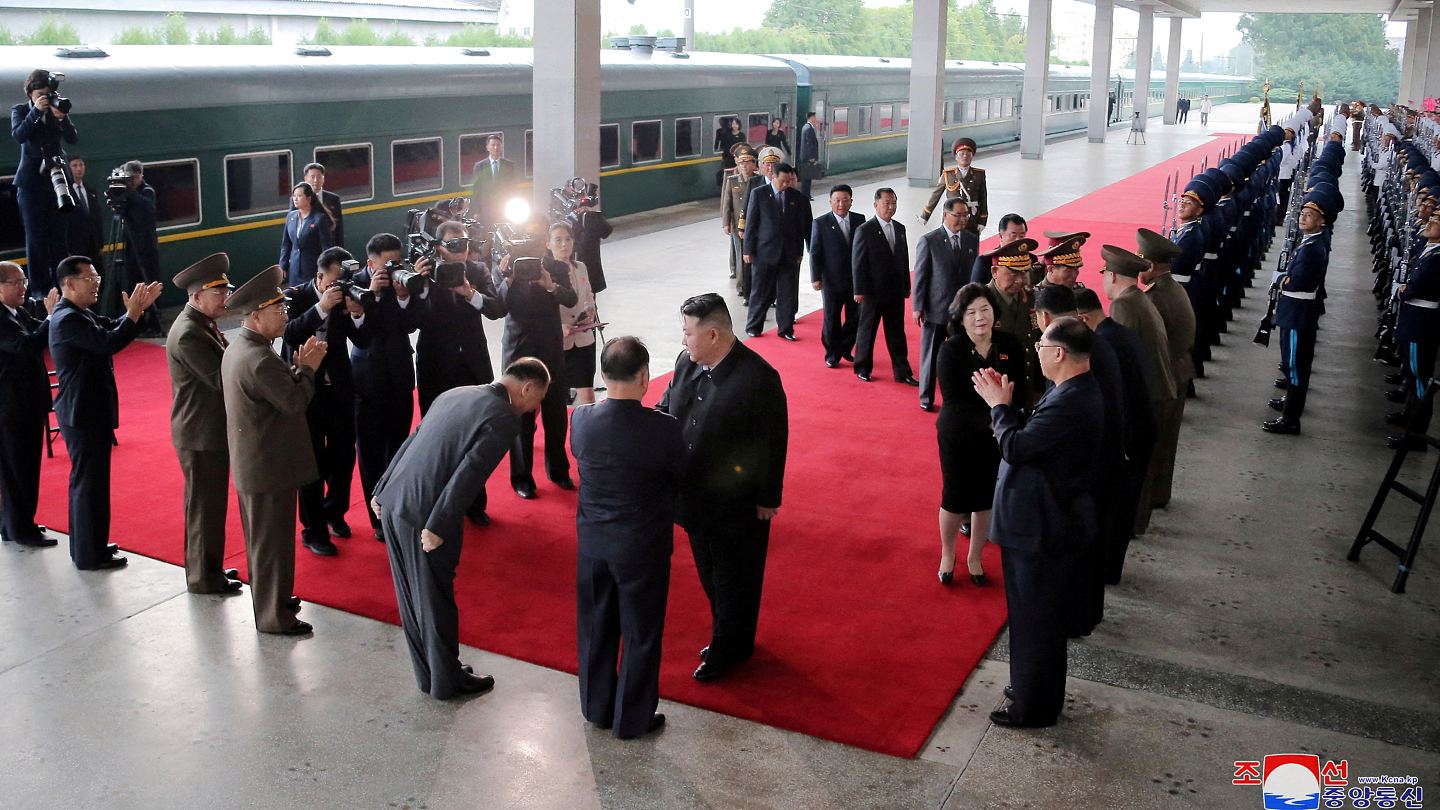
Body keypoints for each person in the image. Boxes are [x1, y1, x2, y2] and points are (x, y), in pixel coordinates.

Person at [371, 357, 549, 699]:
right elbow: (469, 473)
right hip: (428, 513)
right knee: (435, 598)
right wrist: (438, 525)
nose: (534, 408)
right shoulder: (502, 418)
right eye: (537, 399)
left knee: (410, 596)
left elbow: (414, 438)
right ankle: (446, 682)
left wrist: (382, 487)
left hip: (396, 501)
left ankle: (432, 673)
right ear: (526, 388)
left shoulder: (457, 393)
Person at [973, 315, 1103, 728]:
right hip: (1046, 521)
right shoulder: (1072, 389)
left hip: (1042, 527)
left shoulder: (1071, 401)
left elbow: (1016, 446)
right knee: (1035, 617)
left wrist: (998, 407)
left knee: (1035, 620)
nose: (1037, 353)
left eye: (1042, 347)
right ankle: (1030, 686)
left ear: (1060, 353)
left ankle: (1034, 707)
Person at [657, 294, 787, 682]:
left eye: (688, 333)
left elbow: (773, 441)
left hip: (737, 505)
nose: (684, 341)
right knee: (710, 573)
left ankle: (730, 645)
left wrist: (768, 498)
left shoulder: (759, 378)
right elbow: (666, 411)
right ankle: (731, 634)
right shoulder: (686, 364)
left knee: (736, 577)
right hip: (693, 498)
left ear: (713, 334)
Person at [571, 337, 684, 739]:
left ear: (603, 375)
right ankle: (632, 719)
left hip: (593, 544)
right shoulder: (664, 429)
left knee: (596, 626)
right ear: (644, 376)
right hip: (641, 547)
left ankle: (596, 707)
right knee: (641, 632)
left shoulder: (581, 419)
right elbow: (677, 479)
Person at [221, 265, 324, 635]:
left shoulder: (243, 348)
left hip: (259, 463)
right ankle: (273, 616)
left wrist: (296, 371)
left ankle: (274, 600)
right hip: (269, 467)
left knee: (265, 543)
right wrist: (308, 370)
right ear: (254, 314)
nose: (285, 316)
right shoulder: (260, 358)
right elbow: (294, 403)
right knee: (272, 545)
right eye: (277, 310)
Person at [50, 255, 163, 571]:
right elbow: (109, 342)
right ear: (69, 284)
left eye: (96, 275)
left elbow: (111, 327)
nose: (97, 282)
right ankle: (89, 554)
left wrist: (132, 315)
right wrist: (134, 314)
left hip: (86, 411)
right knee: (89, 485)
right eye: (90, 278)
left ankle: (91, 545)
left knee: (91, 484)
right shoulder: (68, 319)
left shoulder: (78, 313)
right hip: (83, 414)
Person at [935, 283, 1028, 586]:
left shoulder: (1010, 345)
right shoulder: (951, 349)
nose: (979, 318)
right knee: (955, 497)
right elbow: (954, 400)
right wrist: (995, 417)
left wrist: (1008, 417)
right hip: (959, 435)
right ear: (960, 318)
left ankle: (975, 556)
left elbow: (1020, 390)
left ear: (994, 313)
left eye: (985, 310)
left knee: (986, 498)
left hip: (998, 435)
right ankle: (948, 554)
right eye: (971, 312)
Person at [283, 246, 370, 556]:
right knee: (312, 462)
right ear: (319, 276)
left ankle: (335, 512)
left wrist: (357, 314)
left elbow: (361, 340)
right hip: (305, 390)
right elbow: (289, 333)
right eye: (335, 281)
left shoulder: (346, 295)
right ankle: (313, 528)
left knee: (344, 456)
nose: (339, 286)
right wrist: (321, 307)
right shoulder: (296, 296)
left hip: (341, 388)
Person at [165, 253, 242, 594]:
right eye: (218, 292)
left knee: (209, 506)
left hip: (208, 431)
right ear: (196, 296)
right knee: (203, 508)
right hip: (200, 433)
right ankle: (202, 577)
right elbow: (219, 377)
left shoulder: (201, 324)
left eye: (225, 291)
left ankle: (209, 568)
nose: (224, 298)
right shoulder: (188, 334)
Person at [1074, 287, 1156, 586]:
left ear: (1083, 318)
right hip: (1141, 429)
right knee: (1122, 508)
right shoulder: (1119, 333)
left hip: (1128, 437)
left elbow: (1111, 401)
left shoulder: (1103, 344)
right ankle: (1111, 570)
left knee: (1113, 511)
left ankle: (1106, 572)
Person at [1099, 245, 1174, 534]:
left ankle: (1130, 527)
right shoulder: (1139, 299)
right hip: (1158, 390)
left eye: (1106, 274)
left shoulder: (1123, 306)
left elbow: (1118, 362)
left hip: (1146, 397)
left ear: (1114, 276)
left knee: (1134, 472)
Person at [351, 233, 422, 540]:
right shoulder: (354, 285)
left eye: (398, 260)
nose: (394, 266)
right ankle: (376, 517)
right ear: (371, 263)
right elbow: (361, 335)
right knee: (370, 453)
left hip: (399, 376)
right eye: (388, 262)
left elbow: (410, 326)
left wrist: (404, 295)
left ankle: (396, 509)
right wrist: (372, 295)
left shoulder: (401, 281)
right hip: (367, 380)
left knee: (398, 448)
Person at [499, 236, 578, 498]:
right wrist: (506, 278)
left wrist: (550, 285)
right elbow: (498, 306)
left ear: (543, 241)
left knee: (555, 413)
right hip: (518, 351)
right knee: (520, 416)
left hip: (551, 350)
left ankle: (559, 471)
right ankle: (522, 478)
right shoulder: (506, 267)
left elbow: (570, 298)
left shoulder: (556, 267)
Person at [1264, 186, 1338, 435]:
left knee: (1295, 366)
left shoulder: (1312, 249)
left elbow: (1296, 282)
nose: (1303, 217)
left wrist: (1284, 279)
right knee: (1292, 362)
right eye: (1303, 213)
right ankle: (1290, 403)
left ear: (1322, 220)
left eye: (1310, 214)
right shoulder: (1310, 242)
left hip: (1298, 312)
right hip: (1296, 309)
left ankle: (1290, 419)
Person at [414, 221, 506, 415]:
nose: (460, 251)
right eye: (453, 245)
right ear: (439, 247)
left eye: (464, 244)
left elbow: (497, 309)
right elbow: (414, 320)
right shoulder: (425, 274)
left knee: (478, 420)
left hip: (473, 360)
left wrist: (471, 294)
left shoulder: (478, 270)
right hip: (435, 362)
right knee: (437, 422)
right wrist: (420, 286)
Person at [1136, 227, 1196, 508]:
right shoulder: (1175, 288)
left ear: (1150, 264)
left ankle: (1143, 505)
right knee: (1167, 441)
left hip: (1164, 374)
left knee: (1151, 447)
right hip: (1180, 368)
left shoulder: (1154, 299)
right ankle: (1160, 496)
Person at [0, 261, 58, 548]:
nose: (23, 287)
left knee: (14, 470)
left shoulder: (16, 311)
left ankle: (11, 524)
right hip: (13, 408)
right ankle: (23, 528)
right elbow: (26, 345)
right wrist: (50, 318)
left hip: (20, 404)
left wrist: (53, 318)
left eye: (23, 280)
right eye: (16, 282)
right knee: (20, 469)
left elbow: (37, 330)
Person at [11, 69, 77, 294]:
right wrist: (36, 113)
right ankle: (39, 293)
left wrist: (63, 118)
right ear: (30, 93)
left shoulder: (56, 111)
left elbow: (73, 139)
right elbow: (19, 135)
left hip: (57, 178)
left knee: (60, 238)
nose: (44, 98)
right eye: (40, 94)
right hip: (32, 183)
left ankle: (63, 286)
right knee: (36, 239)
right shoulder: (20, 110)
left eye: (47, 94)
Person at [913, 198, 979, 410]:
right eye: (958, 215)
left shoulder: (971, 239)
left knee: (962, 356)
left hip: (962, 311)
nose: (962, 220)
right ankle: (926, 397)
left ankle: (958, 397)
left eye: (965, 215)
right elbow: (921, 276)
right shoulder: (929, 240)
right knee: (930, 357)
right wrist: (918, 306)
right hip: (936, 309)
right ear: (945, 214)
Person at [852, 187, 917, 385]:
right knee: (867, 331)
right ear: (875, 205)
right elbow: (858, 262)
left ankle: (902, 371)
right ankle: (862, 367)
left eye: (893, 203)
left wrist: (906, 285)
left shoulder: (900, 228)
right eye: (886, 203)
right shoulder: (865, 230)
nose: (890, 207)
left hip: (895, 291)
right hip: (872, 292)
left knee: (897, 332)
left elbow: (903, 259)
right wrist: (859, 290)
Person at [742, 162, 811, 340]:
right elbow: (751, 224)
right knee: (761, 291)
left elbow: (806, 227)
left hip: (790, 254)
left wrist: (808, 252)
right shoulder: (759, 194)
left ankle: (786, 329)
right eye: (782, 181)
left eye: (789, 181)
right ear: (773, 177)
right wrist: (747, 250)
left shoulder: (799, 198)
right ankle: (754, 326)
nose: (786, 185)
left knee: (787, 293)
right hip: (764, 252)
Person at [1391, 209, 1440, 451]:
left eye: (1436, 221)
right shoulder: (1430, 249)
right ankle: (1409, 419)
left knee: (1420, 378)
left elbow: (1414, 288)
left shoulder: (1437, 257)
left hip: (1421, 323)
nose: (1430, 223)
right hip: (1415, 320)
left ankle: (1416, 434)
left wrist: (1402, 290)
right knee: (1412, 375)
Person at [809, 183, 865, 369]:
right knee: (831, 319)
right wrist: (815, 278)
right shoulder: (821, 223)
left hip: (855, 280)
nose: (841, 204)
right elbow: (815, 252)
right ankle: (832, 353)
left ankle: (845, 347)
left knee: (854, 317)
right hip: (831, 280)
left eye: (845, 200)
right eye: (837, 200)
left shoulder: (860, 220)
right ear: (830, 202)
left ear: (851, 202)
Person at [983, 237, 1042, 397]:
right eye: (1013, 273)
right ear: (994, 272)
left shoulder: (1031, 299)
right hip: (995, 397)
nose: (1020, 280)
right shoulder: (979, 304)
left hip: (1028, 391)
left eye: (1024, 273)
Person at [114, 160, 163, 335]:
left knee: (150, 282)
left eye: (135, 177)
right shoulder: (127, 192)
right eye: (130, 178)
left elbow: (147, 208)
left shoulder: (147, 191)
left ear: (141, 176)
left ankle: (155, 321)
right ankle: (138, 320)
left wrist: (130, 191)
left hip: (147, 246)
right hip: (131, 245)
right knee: (134, 282)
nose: (132, 181)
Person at [554, 223, 601, 404]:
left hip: (583, 338)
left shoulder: (581, 267)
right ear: (548, 244)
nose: (564, 244)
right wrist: (557, 328)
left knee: (588, 395)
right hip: (560, 341)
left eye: (568, 239)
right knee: (557, 398)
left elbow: (589, 296)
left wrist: (590, 310)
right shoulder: (545, 273)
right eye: (558, 240)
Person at [920, 138, 987, 237]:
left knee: (970, 245)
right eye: (961, 154)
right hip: (952, 217)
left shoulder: (979, 175)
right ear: (956, 157)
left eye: (968, 154)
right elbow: (935, 195)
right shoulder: (948, 174)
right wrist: (925, 215)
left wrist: (982, 220)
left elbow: (983, 198)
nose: (965, 156)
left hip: (971, 218)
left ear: (972, 157)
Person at [721, 145, 761, 300]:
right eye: (741, 163)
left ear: (754, 164)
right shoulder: (732, 181)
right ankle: (742, 286)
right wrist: (726, 223)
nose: (744, 166)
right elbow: (727, 203)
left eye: (748, 162)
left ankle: (753, 285)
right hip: (739, 225)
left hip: (756, 225)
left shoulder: (758, 180)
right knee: (741, 257)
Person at [279, 182, 335, 287]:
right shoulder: (291, 216)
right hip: (295, 269)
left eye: (299, 196)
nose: (295, 199)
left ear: (308, 198)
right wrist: (282, 266)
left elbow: (326, 247)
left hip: (313, 269)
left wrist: (325, 269)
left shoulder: (319, 219)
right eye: (294, 196)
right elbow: (286, 245)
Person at [970, 213, 1035, 285]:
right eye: (1013, 236)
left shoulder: (1030, 259)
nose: (1018, 240)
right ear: (1001, 236)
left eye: (1022, 236)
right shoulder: (985, 261)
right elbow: (975, 292)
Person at [470, 134, 518, 226]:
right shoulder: (479, 166)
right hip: (486, 210)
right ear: (487, 147)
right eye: (493, 145)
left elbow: (513, 188)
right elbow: (476, 190)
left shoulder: (509, 165)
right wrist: (476, 211)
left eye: (498, 145)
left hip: (504, 209)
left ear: (501, 147)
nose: (496, 148)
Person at [64, 155, 103, 263]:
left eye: (81, 165)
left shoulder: (91, 191)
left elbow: (97, 218)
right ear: (68, 168)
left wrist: (100, 244)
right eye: (74, 165)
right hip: (75, 246)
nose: (79, 168)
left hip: (93, 245)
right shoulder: (66, 193)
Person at [299, 162, 345, 251]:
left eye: (319, 177)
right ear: (305, 179)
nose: (316, 180)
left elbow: (339, 230)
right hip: (306, 250)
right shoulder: (298, 199)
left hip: (328, 248)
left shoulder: (334, 199)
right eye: (312, 177)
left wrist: (340, 251)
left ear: (323, 179)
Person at [714, 117, 746, 187]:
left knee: (737, 175)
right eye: (733, 124)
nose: (734, 125)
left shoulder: (742, 135)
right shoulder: (726, 134)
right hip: (727, 158)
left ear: (739, 125)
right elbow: (723, 145)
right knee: (725, 175)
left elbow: (742, 147)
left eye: (736, 124)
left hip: (737, 159)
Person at [798, 112, 821, 199]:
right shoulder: (808, 128)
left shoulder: (807, 127)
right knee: (807, 177)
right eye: (815, 117)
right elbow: (810, 144)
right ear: (811, 117)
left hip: (806, 156)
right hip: (808, 157)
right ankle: (805, 195)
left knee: (808, 176)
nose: (816, 118)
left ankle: (807, 194)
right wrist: (811, 157)